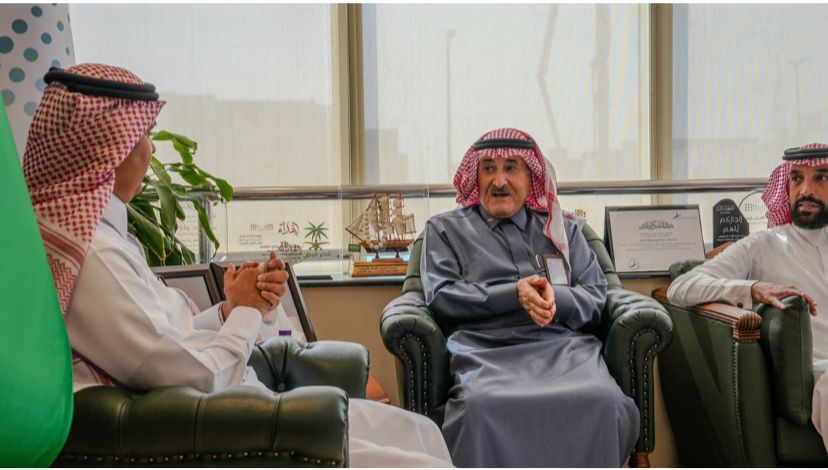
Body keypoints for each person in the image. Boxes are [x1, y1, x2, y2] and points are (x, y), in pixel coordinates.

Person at [23, 63, 452, 467]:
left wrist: (231, 308)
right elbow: (197, 375)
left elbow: (166, 337)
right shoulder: (94, 256)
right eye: (146, 136)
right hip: (223, 429)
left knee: (422, 431)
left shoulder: (103, 239)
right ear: (110, 149)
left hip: (233, 411)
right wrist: (247, 311)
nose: (151, 153)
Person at [420, 127, 639, 467]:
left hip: (564, 350)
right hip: (485, 353)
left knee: (604, 399)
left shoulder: (563, 230)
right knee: (478, 407)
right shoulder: (445, 230)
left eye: (511, 168)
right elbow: (442, 296)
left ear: (531, 175)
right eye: (488, 169)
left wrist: (556, 299)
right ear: (475, 176)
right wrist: (514, 294)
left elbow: (596, 295)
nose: (499, 181)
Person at [667, 143, 828, 450]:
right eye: (797, 178)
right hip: (820, 374)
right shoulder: (763, 244)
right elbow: (682, 287)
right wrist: (752, 289)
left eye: (820, 178)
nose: (806, 190)